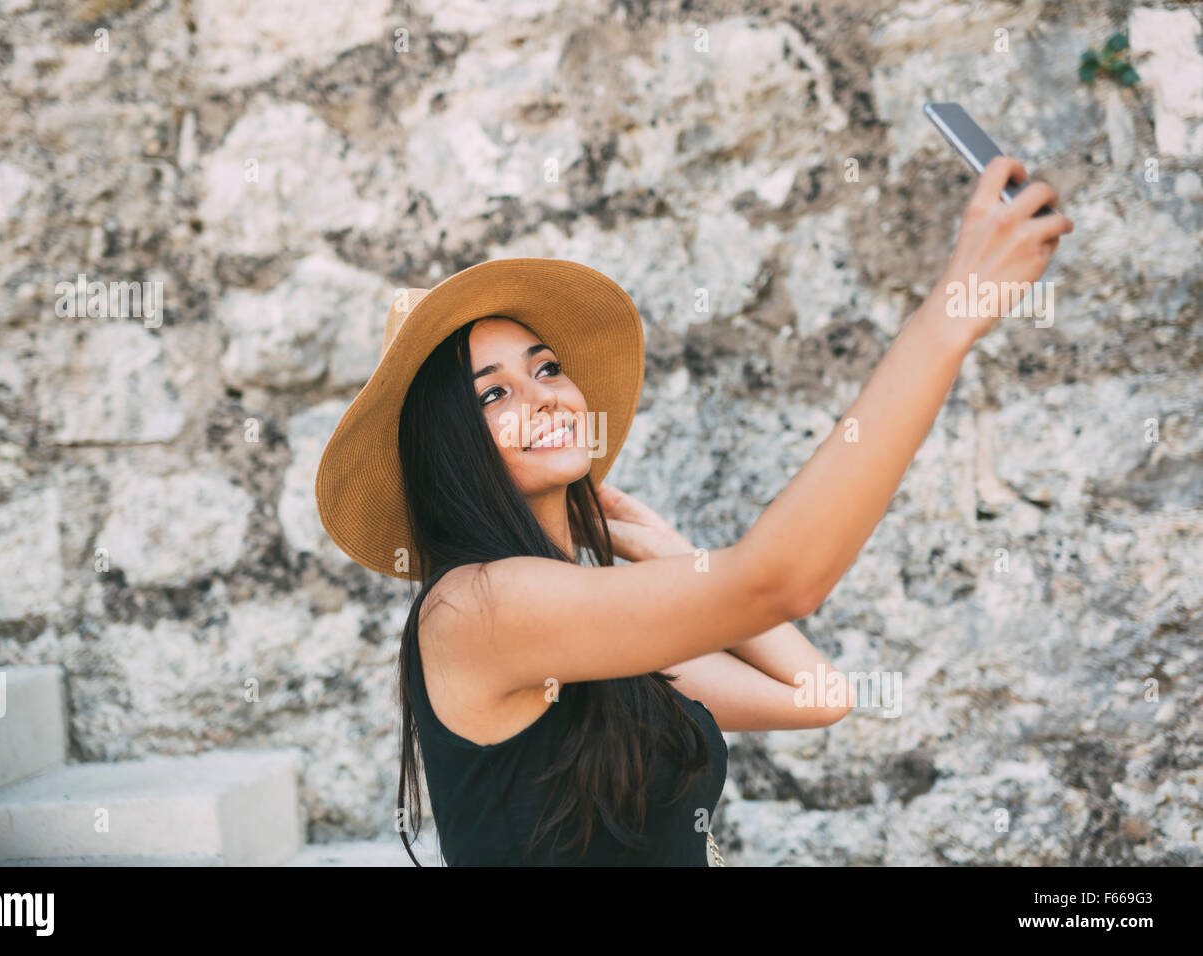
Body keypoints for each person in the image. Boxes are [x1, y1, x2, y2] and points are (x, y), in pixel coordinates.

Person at [313, 155, 1074, 866]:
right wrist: (949, 317)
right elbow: (783, 581)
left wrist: (681, 559)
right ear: (449, 448)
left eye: (546, 366)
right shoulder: (476, 608)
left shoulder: (595, 627)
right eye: (493, 391)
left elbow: (818, 696)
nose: (545, 393)